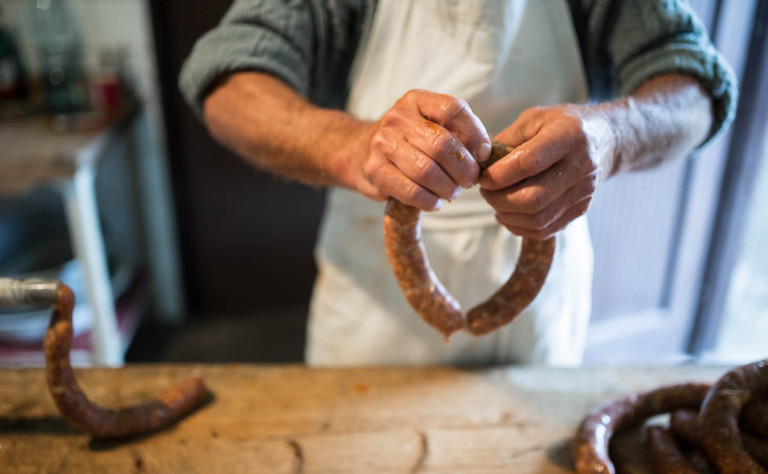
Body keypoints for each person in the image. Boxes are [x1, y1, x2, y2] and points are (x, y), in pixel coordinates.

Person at [179, 0, 737, 366]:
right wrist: (350, 145)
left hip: (541, 297)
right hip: (372, 312)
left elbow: (697, 86)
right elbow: (227, 80)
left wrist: (611, 136)